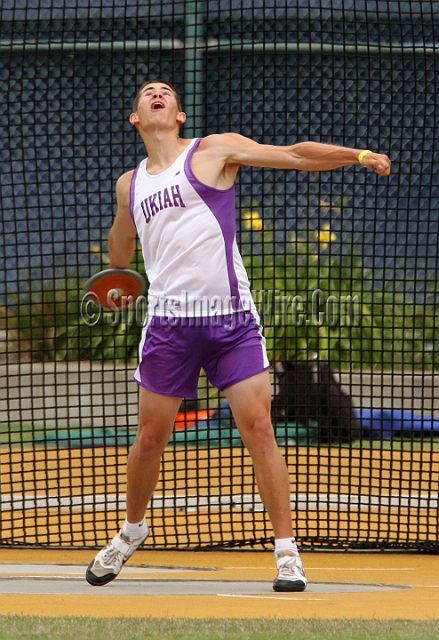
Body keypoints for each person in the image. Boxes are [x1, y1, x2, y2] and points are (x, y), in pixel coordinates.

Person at [86, 79, 391, 592]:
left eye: (166, 92)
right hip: (168, 325)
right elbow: (122, 236)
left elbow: (294, 154)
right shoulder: (129, 184)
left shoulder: (213, 150)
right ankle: (131, 531)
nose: (157, 94)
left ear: (179, 115)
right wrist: (116, 280)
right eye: (146, 92)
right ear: (136, 118)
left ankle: (287, 553)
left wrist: (356, 154)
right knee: (150, 438)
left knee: (258, 427)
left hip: (231, 320)